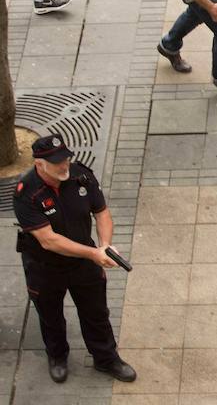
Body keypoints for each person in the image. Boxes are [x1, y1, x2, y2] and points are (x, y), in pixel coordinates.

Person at [13, 135, 136, 384]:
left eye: (66, 158)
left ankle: (106, 358)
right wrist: (94, 254)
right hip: (45, 267)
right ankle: (57, 357)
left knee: (96, 313)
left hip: (83, 263)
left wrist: (105, 246)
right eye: (57, 161)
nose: (64, 165)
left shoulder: (82, 176)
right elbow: (49, 240)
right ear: (39, 164)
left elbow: (101, 213)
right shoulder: (26, 193)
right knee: (51, 315)